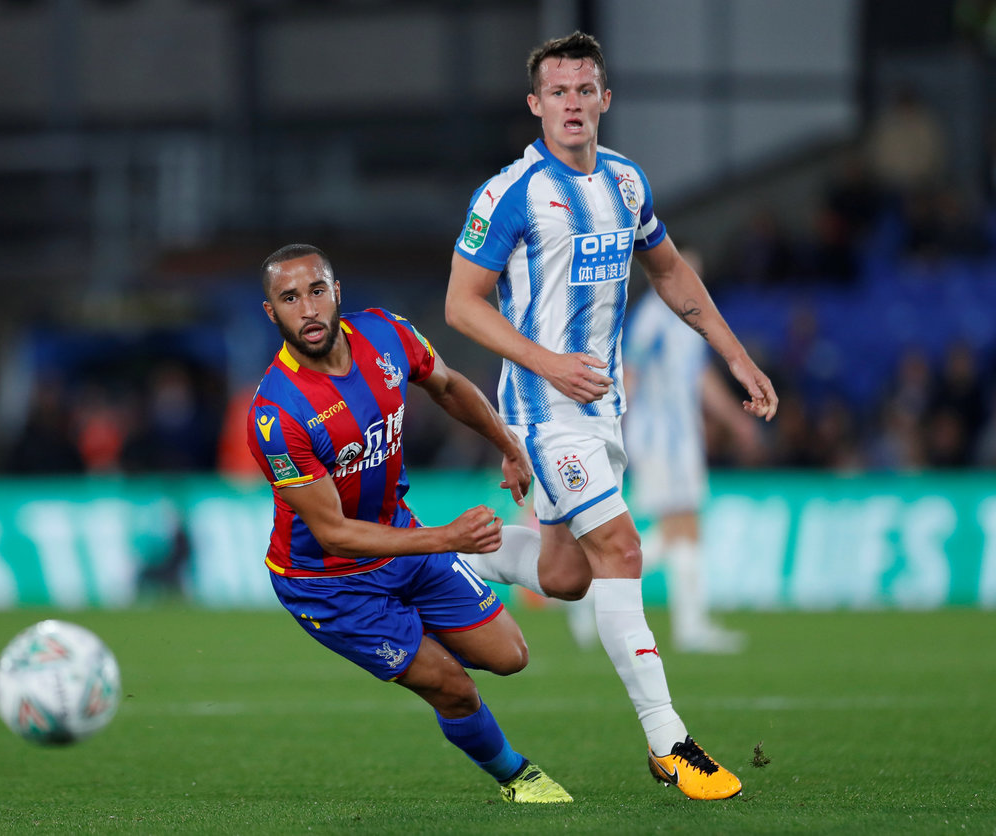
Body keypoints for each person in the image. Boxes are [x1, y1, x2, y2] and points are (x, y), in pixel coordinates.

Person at [444, 32, 778, 801]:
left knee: (566, 576)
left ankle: (436, 555)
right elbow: (462, 303)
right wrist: (547, 362)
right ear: (536, 104)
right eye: (558, 92)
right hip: (542, 410)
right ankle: (670, 742)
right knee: (623, 549)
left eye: (584, 89)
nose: (572, 103)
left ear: (605, 99)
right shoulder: (510, 193)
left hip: (603, 415)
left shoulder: (627, 182)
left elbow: (669, 270)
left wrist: (733, 355)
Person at [245, 243, 571, 804]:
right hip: (329, 583)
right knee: (453, 688)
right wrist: (447, 538)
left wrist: (507, 444)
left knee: (510, 656)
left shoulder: (386, 333)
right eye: (290, 298)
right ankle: (517, 777)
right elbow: (334, 534)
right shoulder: (276, 414)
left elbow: (447, 385)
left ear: (336, 292)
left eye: (317, 291)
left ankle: (449, 593)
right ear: (271, 312)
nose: (309, 309)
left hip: (400, 538)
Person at [567, 279, 763, 654]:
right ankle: (597, 590)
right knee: (680, 528)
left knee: (685, 529)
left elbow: (700, 378)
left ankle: (686, 624)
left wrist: (735, 421)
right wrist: (610, 429)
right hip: (658, 439)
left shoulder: (689, 322)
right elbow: (630, 374)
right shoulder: (652, 318)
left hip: (684, 440)